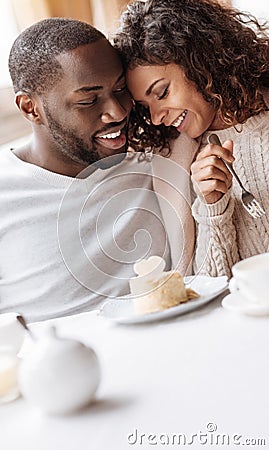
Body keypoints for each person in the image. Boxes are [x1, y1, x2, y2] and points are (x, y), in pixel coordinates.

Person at [1, 17, 191, 322]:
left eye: (119, 89)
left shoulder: (155, 150)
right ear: (30, 108)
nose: (117, 112)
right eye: (88, 101)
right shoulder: (6, 192)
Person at [114, 0, 269, 278]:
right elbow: (207, 285)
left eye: (161, 93)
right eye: (144, 107)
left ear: (201, 62)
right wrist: (213, 206)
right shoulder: (178, 162)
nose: (157, 117)